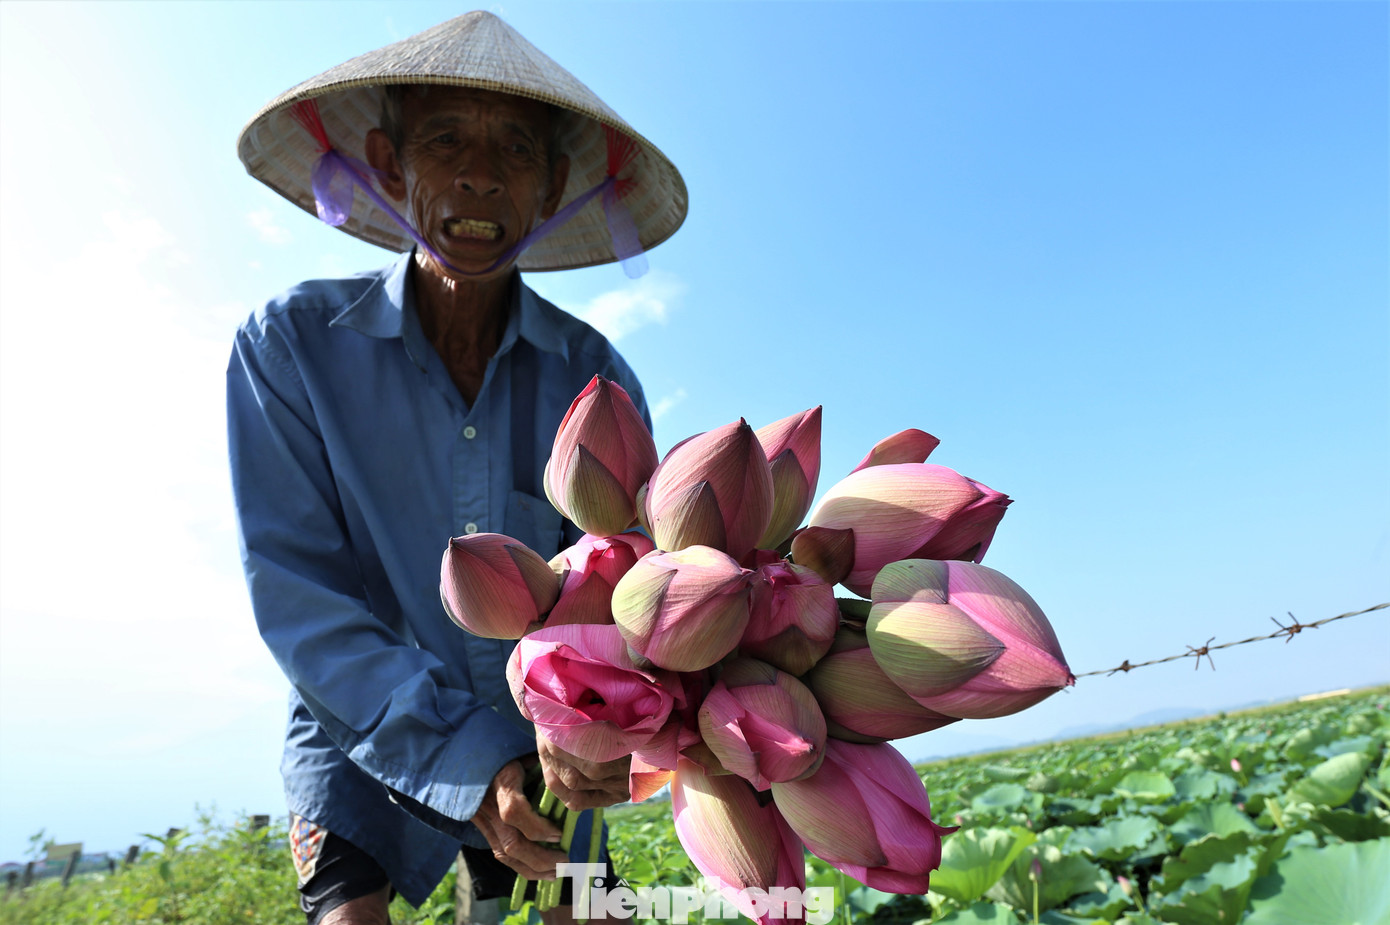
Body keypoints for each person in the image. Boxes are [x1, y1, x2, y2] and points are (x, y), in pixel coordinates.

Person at [229, 12, 687, 925]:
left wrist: (575, 736)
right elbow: (301, 597)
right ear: (390, 163)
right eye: (445, 139)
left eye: (516, 148)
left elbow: (624, 585)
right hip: (360, 722)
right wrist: (467, 764)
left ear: (551, 185)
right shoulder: (289, 348)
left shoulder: (594, 379)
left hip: (554, 729)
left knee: (587, 912)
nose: (479, 173)